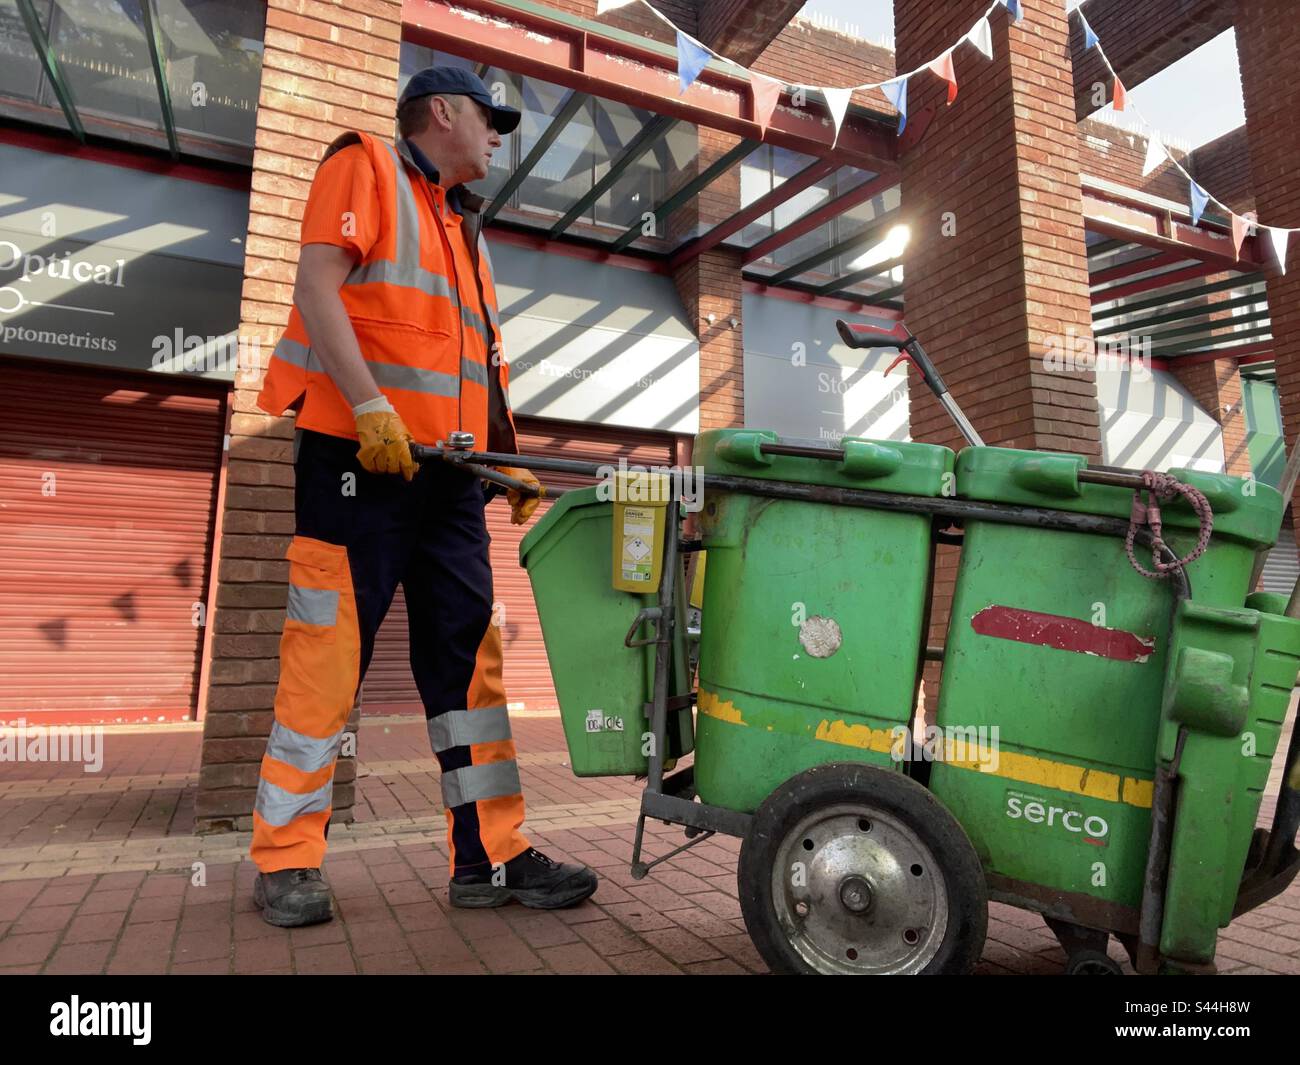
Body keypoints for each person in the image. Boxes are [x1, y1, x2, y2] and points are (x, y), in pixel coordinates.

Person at [247, 66, 598, 927]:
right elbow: (315, 286)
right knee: (327, 659)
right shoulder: (362, 164)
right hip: (352, 459)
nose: (497, 137)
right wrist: (369, 407)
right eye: (490, 119)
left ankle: (492, 858)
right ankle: (286, 859)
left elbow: (478, 365)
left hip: (446, 481)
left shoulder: (464, 230)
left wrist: (506, 463)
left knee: (471, 667)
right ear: (441, 112)